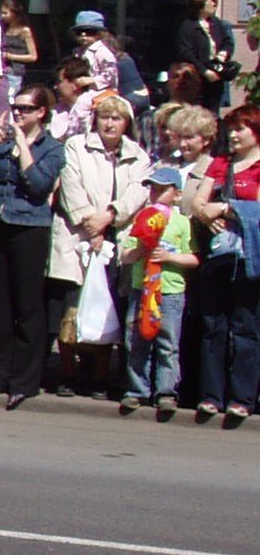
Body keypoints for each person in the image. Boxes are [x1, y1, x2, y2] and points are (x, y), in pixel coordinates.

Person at [48, 92, 149, 400]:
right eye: (104, 117)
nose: (109, 123)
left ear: (126, 123)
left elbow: (138, 192)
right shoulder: (77, 146)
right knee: (72, 307)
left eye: (116, 118)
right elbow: (71, 186)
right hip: (78, 235)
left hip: (116, 238)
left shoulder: (139, 156)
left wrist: (110, 217)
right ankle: (67, 372)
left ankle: (101, 376)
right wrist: (91, 223)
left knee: (107, 310)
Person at [0, 86, 63, 407]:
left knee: (28, 304)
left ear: (41, 112)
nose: (19, 113)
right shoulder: (3, 143)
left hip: (29, 226)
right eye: (17, 107)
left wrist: (24, 146)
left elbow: (39, 186)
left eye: (26, 108)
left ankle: (25, 379)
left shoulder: (52, 148)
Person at [192, 107, 260, 423]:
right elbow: (197, 203)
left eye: (240, 129)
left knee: (245, 328)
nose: (232, 135)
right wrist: (211, 213)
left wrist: (221, 207)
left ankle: (243, 398)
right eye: (231, 129)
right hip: (218, 256)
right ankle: (211, 396)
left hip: (248, 258)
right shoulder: (221, 164)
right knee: (213, 326)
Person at [119, 166, 198, 418]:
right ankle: (137, 389)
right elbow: (126, 256)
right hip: (141, 289)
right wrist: (141, 249)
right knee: (136, 341)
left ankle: (166, 392)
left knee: (168, 342)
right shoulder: (142, 218)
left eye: (162, 190)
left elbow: (194, 258)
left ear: (176, 195)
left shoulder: (182, 222)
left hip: (170, 291)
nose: (155, 194)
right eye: (152, 189)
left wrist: (170, 256)